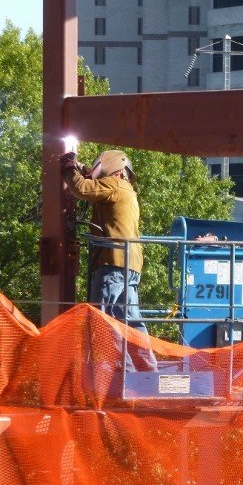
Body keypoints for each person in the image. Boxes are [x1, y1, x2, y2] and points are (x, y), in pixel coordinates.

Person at [60, 149, 158, 372]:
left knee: (104, 319)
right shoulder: (128, 191)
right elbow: (94, 187)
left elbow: (81, 188)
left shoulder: (114, 186)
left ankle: (122, 374)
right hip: (131, 264)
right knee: (131, 320)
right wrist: (84, 171)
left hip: (113, 262)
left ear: (112, 168)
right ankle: (147, 371)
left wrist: (68, 167)